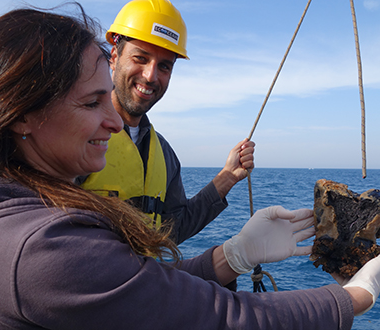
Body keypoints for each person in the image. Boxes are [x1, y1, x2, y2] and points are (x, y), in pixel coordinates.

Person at [0, 5, 380, 329]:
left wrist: (232, 252)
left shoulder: (24, 200)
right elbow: (217, 316)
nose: (113, 120)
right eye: (91, 101)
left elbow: (144, 273)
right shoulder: (42, 245)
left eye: (167, 65)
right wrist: (351, 298)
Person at [79, 0, 256, 244]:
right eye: (140, 58)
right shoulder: (77, 133)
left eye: (164, 66)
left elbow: (173, 231)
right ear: (114, 56)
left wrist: (227, 177)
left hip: (146, 280)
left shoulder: (163, 154)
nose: (151, 76)